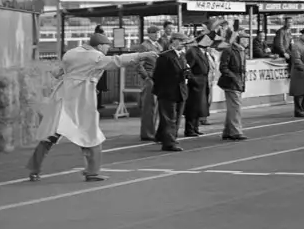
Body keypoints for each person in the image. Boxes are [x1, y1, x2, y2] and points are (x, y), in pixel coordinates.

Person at [28, 33, 151, 181]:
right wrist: (142, 55)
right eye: (107, 46)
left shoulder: (71, 53)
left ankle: (34, 169)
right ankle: (92, 172)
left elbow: (57, 72)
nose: (108, 49)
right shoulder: (95, 57)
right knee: (91, 135)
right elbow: (117, 61)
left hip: (62, 98)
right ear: (99, 46)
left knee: (51, 135)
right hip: (81, 100)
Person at [153, 33, 191, 152]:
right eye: (180, 41)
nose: (182, 44)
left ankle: (170, 137)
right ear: (173, 41)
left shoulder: (182, 55)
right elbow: (157, 75)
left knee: (177, 117)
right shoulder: (165, 56)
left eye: (184, 41)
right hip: (168, 91)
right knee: (169, 117)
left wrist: (187, 73)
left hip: (180, 90)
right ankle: (169, 142)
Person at [218, 33, 249, 141]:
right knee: (235, 107)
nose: (247, 42)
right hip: (231, 83)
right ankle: (236, 131)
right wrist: (234, 77)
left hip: (238, 82)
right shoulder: (229, 50)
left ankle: (227, 131)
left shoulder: (241, 51)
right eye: (245, 39)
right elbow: (223, 67)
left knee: (233, 107)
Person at [136, 25, 163, 142]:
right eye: (154, 33)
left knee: (155, 107)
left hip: (157, 78)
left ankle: (152, 130)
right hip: (150, 79)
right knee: (149, 107)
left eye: (158, 32)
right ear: (149, 34)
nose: (157, 35)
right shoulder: (144, 46)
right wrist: (146, 76)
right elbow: (138, 63)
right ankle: (147, 133)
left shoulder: (158, 45)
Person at [183, 39, 211, 137]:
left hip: (202, 82)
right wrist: (193, 80)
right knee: (192, 107)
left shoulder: (203, 52)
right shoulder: (193, 52)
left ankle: (195, 127)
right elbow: (187, 68)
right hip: (195, 84)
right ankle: (189, 129)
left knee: (199, 107)